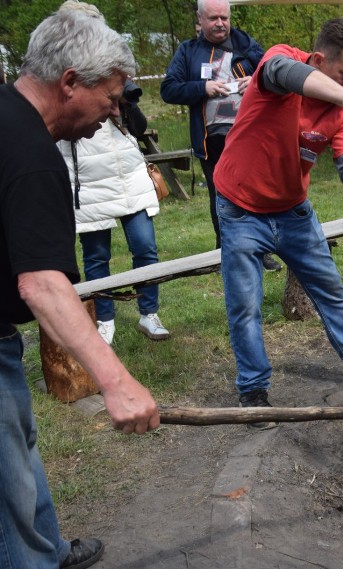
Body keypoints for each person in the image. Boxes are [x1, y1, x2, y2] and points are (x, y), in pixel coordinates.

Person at [0, 4, 160, 568]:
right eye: (110, 98)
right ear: (70, 82)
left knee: (17, 451)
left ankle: (45, 549)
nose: (112, 113)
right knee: (4, 485)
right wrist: (116, 383)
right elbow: (43, 284)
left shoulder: (5, 112)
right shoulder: (32, 156)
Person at [212, 18, 343, 430]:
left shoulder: (337, 109)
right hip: (241, 208)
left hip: (294, 210)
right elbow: (286, 73)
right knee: (245, 305)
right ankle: (253, 389)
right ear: (319, 60)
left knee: (330, 289)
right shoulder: (281, 62)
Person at [160, 0, 282, 272]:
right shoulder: (188, 51)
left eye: (224, 18)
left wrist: (257, 79)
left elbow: (275, 71)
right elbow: (169, 89)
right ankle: (224, 249)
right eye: (213, 18)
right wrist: (203, 88)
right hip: (210, 138)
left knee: (254, 191)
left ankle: (260, 251)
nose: (220, 23)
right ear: (200, 20)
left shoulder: (245, 44)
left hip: (249, 134)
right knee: (221, 194)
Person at [56, 80, 170, 346]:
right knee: (97, 257)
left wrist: (125, 103)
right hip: (90, 183)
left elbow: (139, 129)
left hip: (129, 179)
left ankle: (149, 314)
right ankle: (104, 321)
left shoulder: (114, 85)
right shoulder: (67, 89)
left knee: (145, 248)